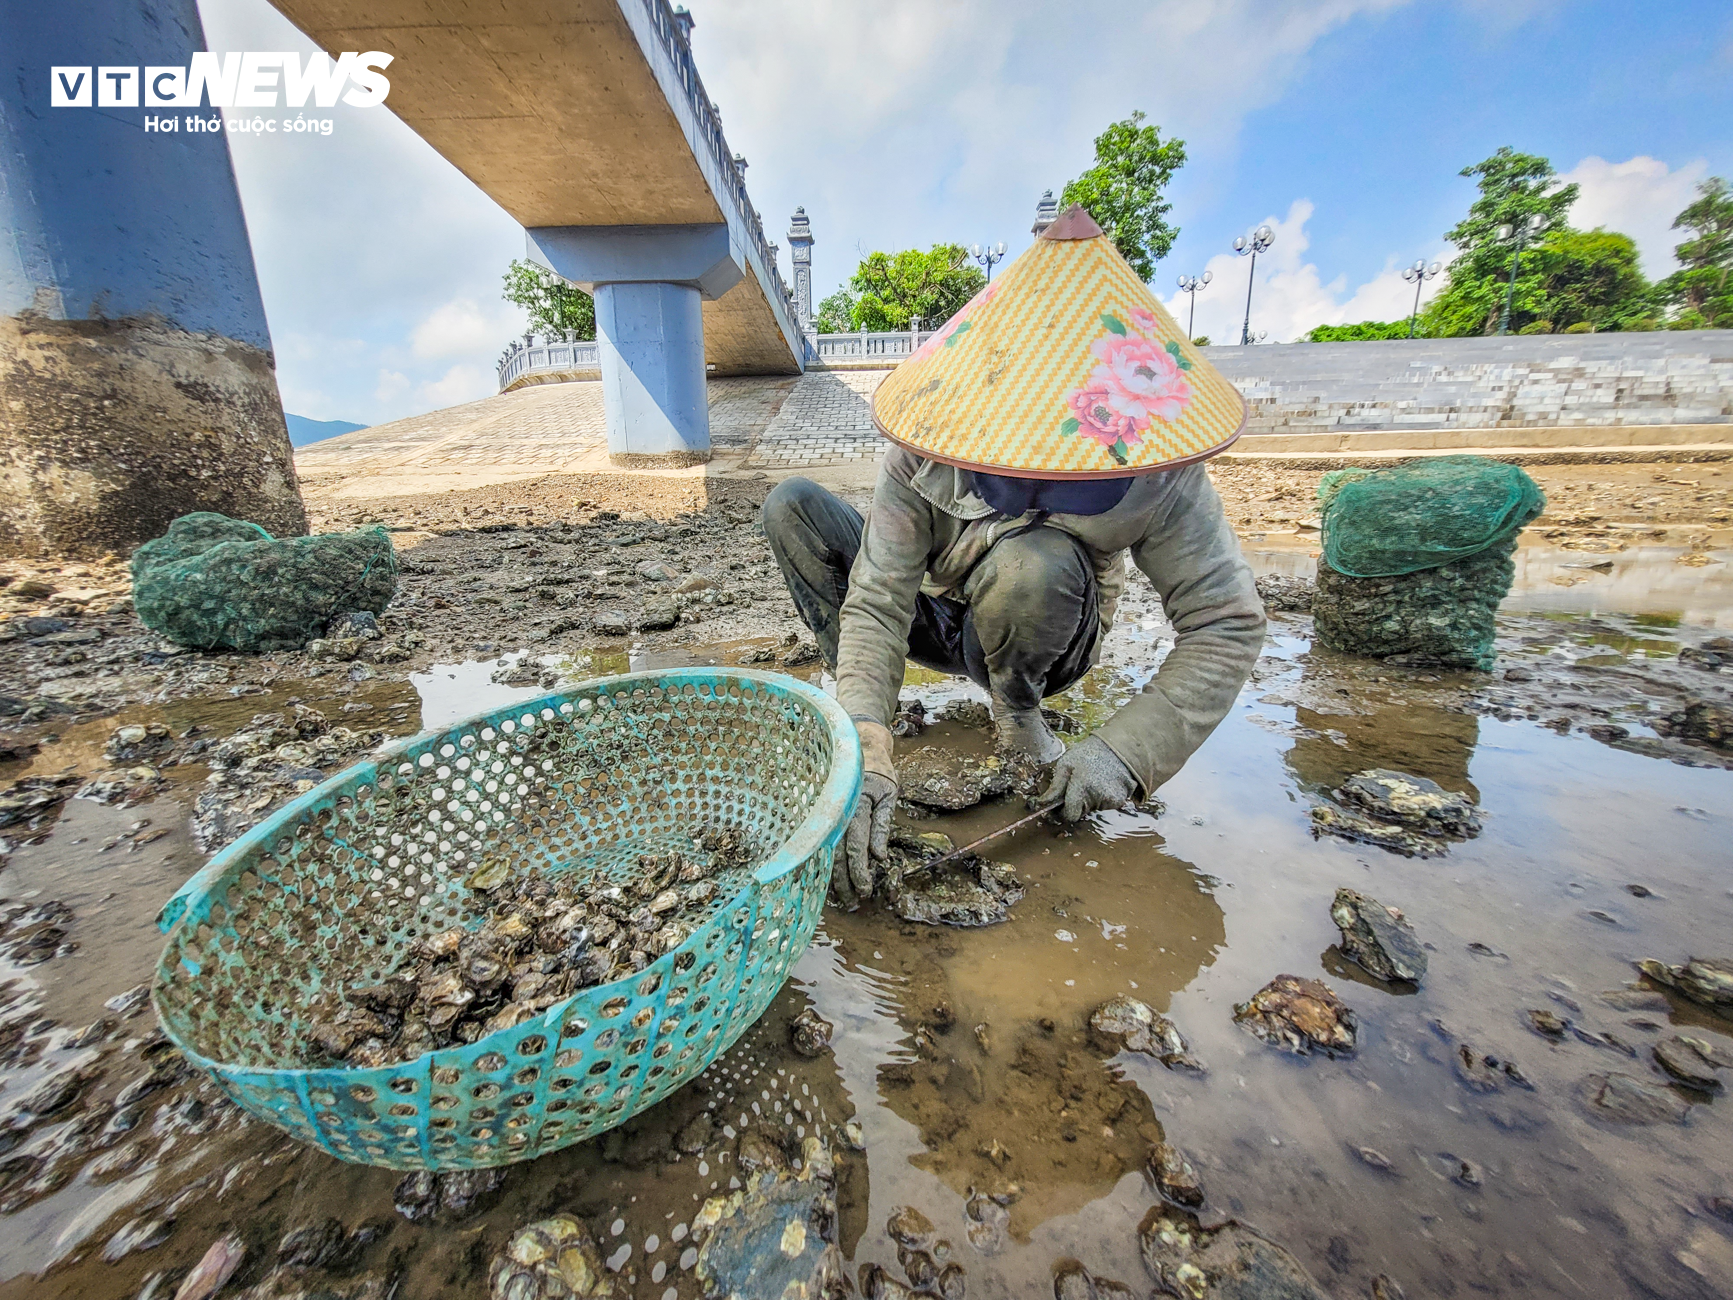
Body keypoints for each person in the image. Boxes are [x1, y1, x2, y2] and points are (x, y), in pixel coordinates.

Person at [762, 207, 1266, 905]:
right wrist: (866, 742)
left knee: (1032, 560)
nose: (1030, 484)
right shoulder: (922, 451)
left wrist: (1123, 754)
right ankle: (866, 709)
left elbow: (1226, 623)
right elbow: (879, 600)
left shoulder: (1161, 469)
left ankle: (1015, 710)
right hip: (938, 615)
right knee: (792, 505)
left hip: (1047, 629)